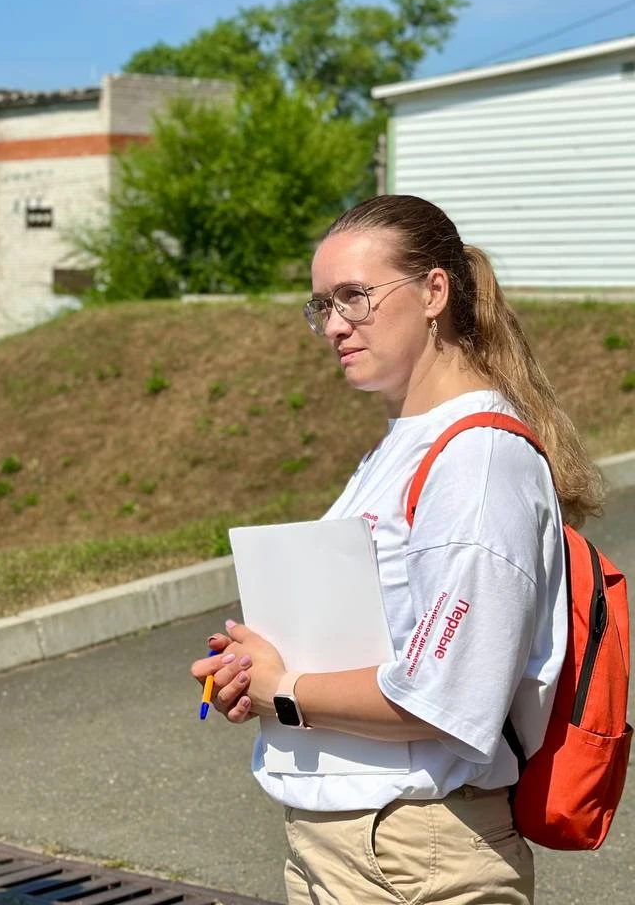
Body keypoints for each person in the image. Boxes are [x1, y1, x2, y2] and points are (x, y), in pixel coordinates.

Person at [194, 194, 605, 904]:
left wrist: (285, 692)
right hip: (352, 846)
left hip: (416, 855)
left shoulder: (479, 462)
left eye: (355, 297)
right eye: (321, 305)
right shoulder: (404, 444)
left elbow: (448, 695)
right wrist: (253, 667)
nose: (334, 325)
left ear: (434, 291)